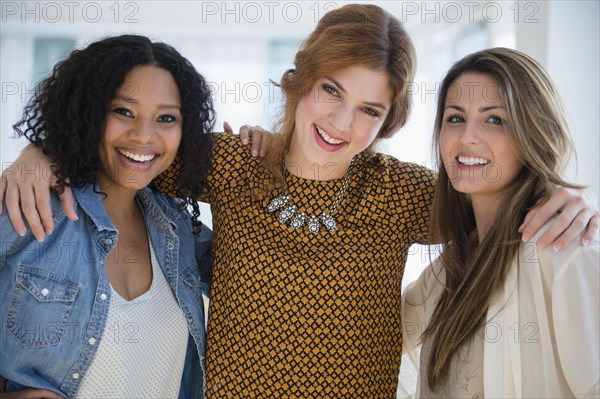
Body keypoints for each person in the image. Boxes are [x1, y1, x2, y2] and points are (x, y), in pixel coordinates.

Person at [1, 5, 598, 398]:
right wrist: (42, 152)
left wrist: (570, 198)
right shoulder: (231, 164)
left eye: (370, 110)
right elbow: (130, 146)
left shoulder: (404, 193)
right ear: (298, 80)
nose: (342, 122)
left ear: (390, 121)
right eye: (331, 91)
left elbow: (493, 186)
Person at [0, 34, 219, 398]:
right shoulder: (31, 204)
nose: (143, 135)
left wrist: (263, 154)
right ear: (89, 111)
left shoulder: (182, 232)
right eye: (123, 111)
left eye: (166, 118)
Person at [401, 48, 599, 398]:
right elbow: (370, 341)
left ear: (533, 132)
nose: (467, 138)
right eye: (456, 118)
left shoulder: (564, 250)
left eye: (495, 120)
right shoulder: (446, 273)